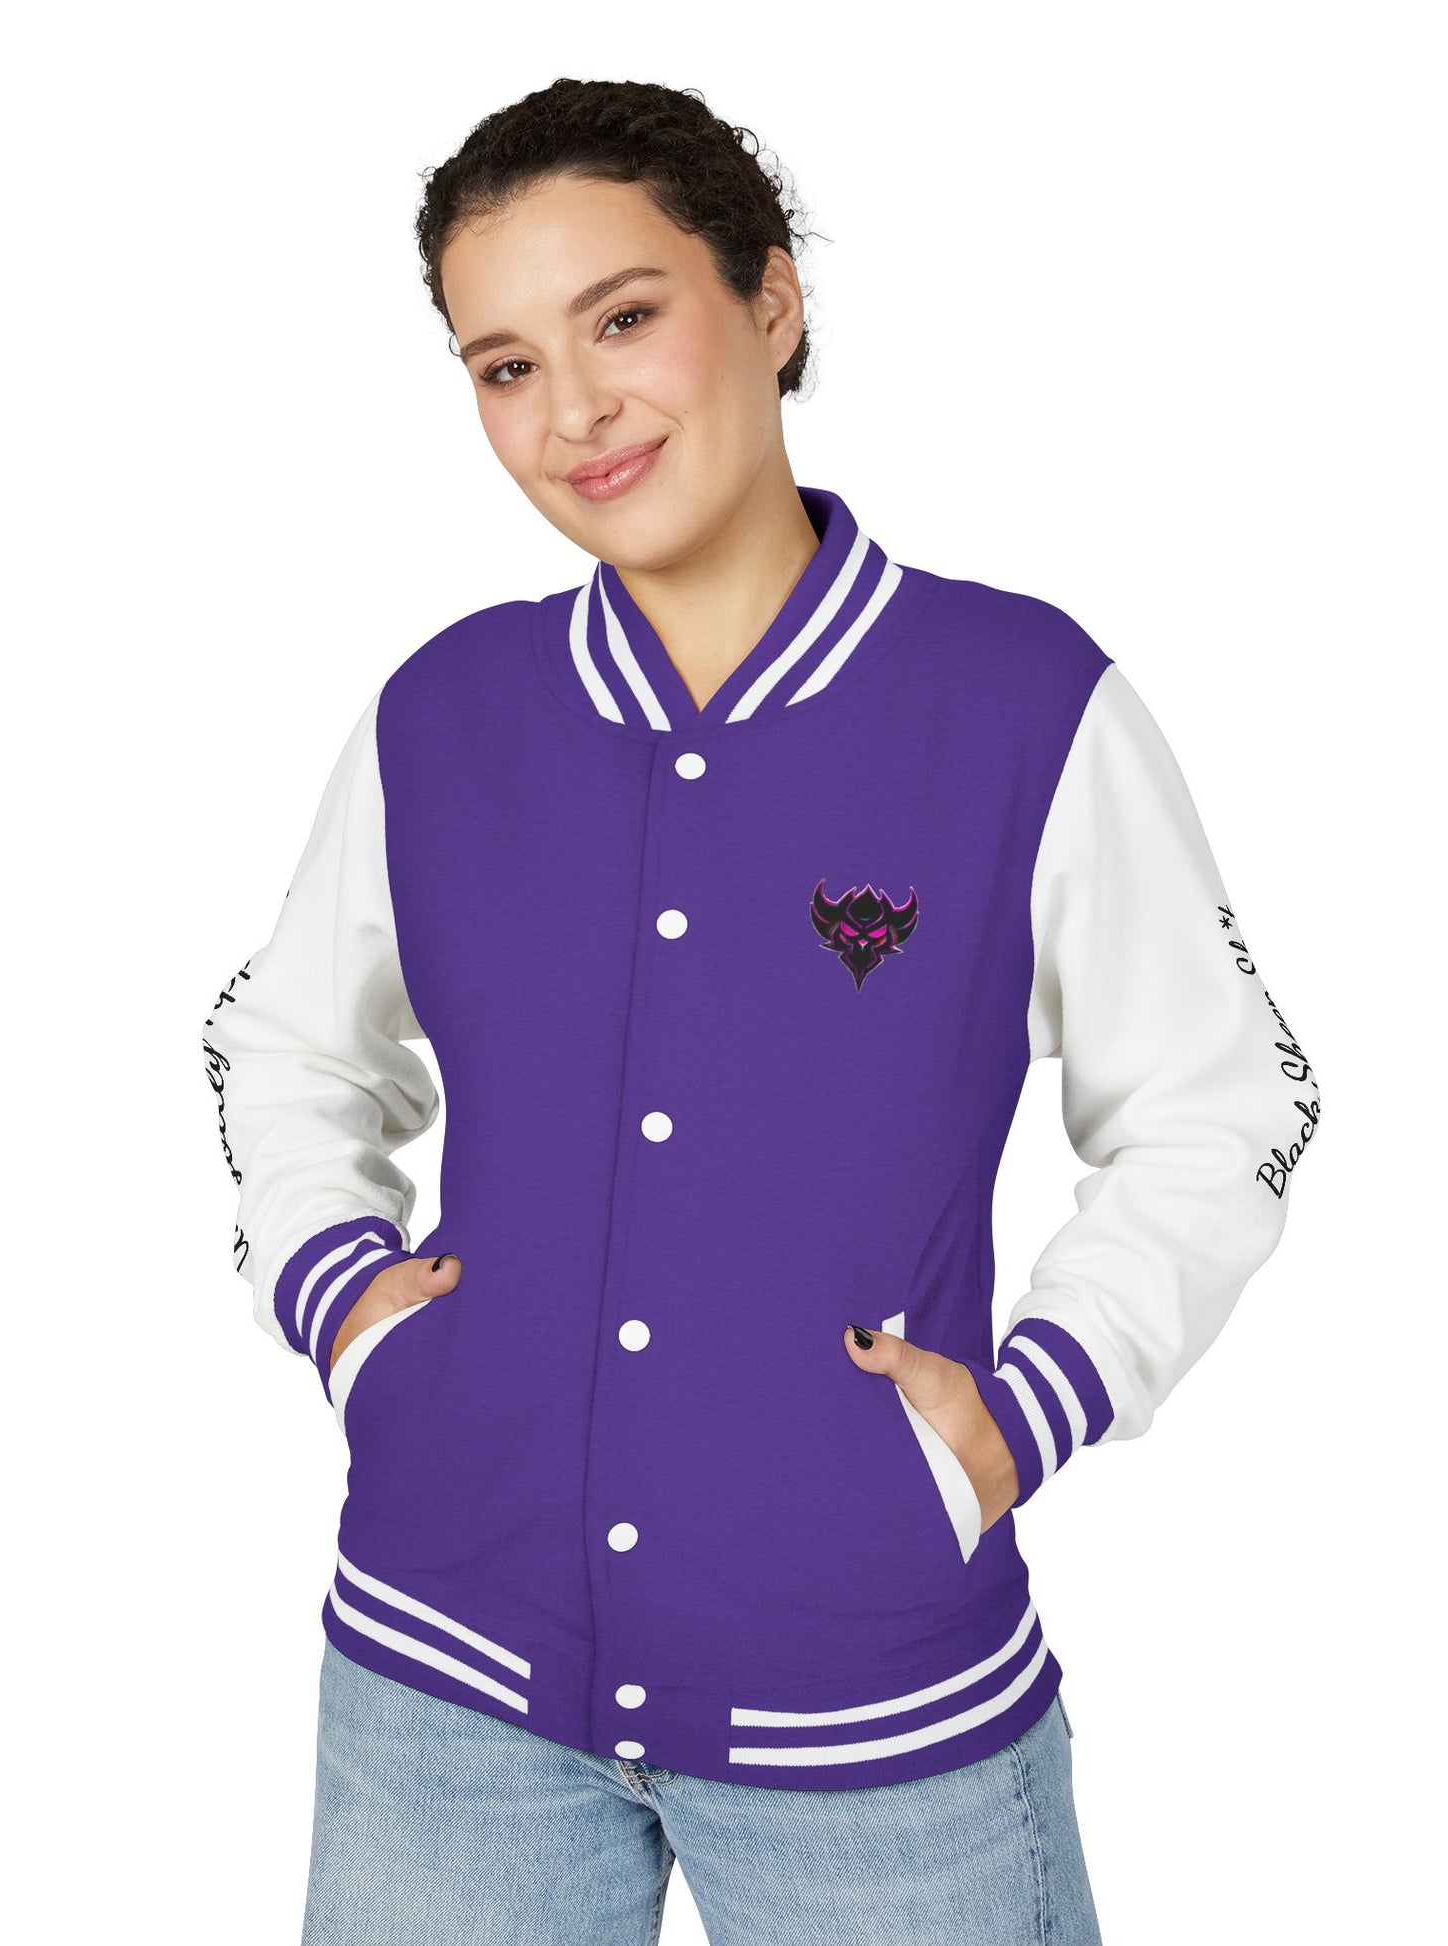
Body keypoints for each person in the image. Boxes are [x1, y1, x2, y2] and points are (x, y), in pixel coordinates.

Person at [201, 76, 1321, 1946]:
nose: (572, 411)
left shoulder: (1016, 700)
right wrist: (341, 1298)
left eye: (623, 318)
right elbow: (285, 1043)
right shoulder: (444, 716)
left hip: (869, 1704)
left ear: (771, 302)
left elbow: (1226, 1102)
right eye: (503, 365)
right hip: (439, 1682)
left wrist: (1024, 1410)